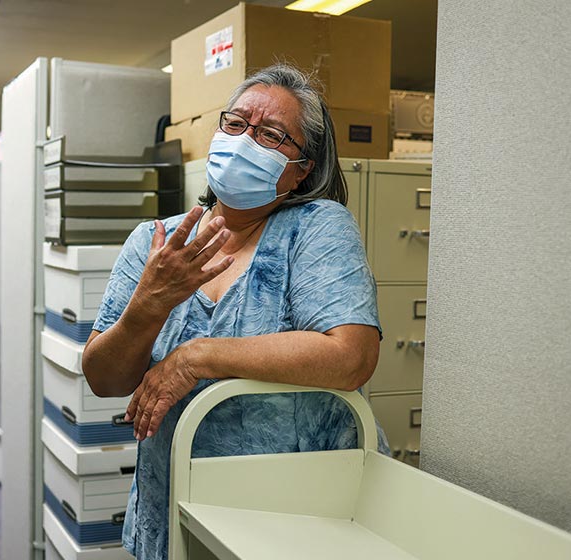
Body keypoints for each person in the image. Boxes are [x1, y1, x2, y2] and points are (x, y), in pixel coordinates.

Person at [81, 63, 389, 559]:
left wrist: (196, 357)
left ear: (301, 167)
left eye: (271, 134)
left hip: (294, 511)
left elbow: (351, 356)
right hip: (173, 499)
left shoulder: (315, 230)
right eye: (236, 124)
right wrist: (148, 306)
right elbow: (104, 378)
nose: (245, 141)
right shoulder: (154, 243)